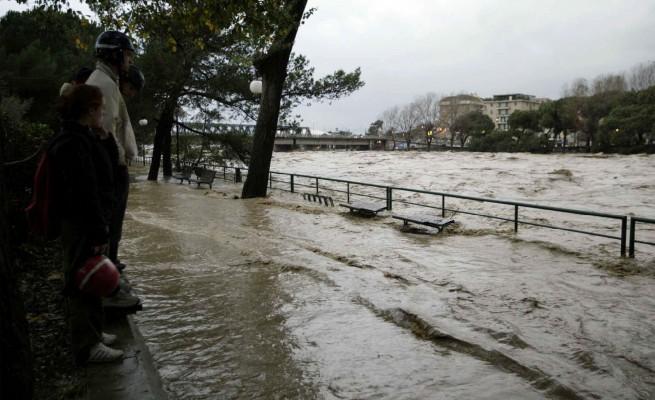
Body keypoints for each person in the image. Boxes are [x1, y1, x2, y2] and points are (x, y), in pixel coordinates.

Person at [50, 84, 123, 364]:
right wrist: (98, 228)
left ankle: (94, 333)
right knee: (82, 281)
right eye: (101, 110)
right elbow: (85, 190)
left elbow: (105, 168)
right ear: (90, 110)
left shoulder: (83, 137)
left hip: (88, 221)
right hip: (82, 223)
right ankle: (86, 345)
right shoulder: (72, 143)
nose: (103, 114)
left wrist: (104, 139)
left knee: (90, 277)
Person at [86, 31, 140, 309]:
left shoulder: (107, 81)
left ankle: (108, 282)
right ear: (116, 55)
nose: (130, 62)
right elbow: (105, 132)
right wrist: (117, 165)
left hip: (111, 169)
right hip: (109, 171)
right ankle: (108, 291)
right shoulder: (105, 85)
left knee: (111, 229)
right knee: (108, 229)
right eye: (128, 56)